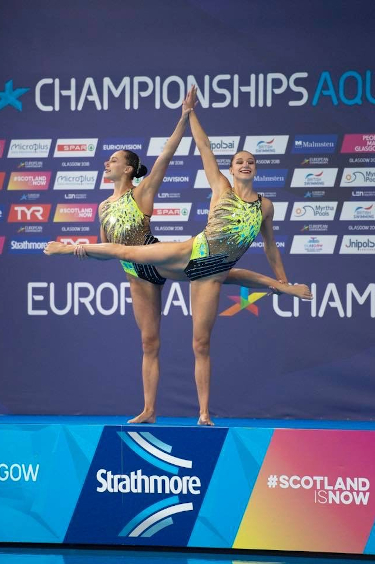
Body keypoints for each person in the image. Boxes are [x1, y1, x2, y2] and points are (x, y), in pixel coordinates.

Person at [46, 95, 311, 425]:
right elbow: (204, 149)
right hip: (165, 261)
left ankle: (203, 413)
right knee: (147, 334)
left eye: (251, 161)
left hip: (204, 266)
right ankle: (149, 410)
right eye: (239, 160)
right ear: (230, 168)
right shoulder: (220, 187)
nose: (245, 164)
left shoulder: (264, 207)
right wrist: (190, 114)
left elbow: (270, 247)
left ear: (256, 168)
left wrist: (283, 281)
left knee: (202, 340)